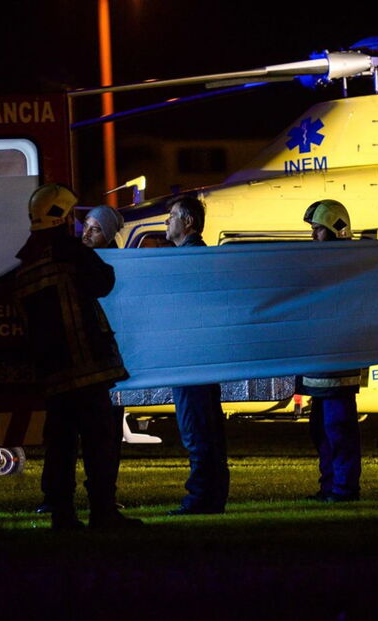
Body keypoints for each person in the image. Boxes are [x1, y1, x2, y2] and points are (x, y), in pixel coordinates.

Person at [13, 183, 141, 530]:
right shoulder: (70, 251)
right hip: (87, 366)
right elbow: (103, 282)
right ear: (62, 216)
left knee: (61, 446)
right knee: (99, 441)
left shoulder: (24, 261)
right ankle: (103, 511)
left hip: (52, 373)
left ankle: (62, 514)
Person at [164, 195, 230, 515]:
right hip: (199, 359)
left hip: (191, 361)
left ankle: (201, 497)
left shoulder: (189, 260)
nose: (167, 222)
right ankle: (211, 495)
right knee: (206, 429)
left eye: (172, 216)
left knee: (197, 431)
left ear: (188, 223)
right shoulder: (196, 257)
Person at [297, 199, 363, 503]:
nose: (313, 236)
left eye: (318, 230)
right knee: (322, 434)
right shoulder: (319, 265)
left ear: (337, 229)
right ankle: (329, 487)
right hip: (317, 368)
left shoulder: (348, 267)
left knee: (339, 433)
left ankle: (344, 489)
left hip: (339, 369)